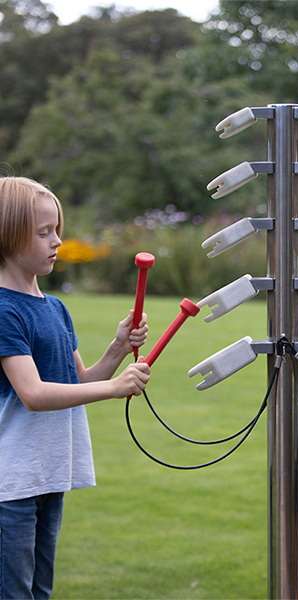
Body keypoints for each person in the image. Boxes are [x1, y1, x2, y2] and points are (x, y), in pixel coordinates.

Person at [0, 176, 151, 599]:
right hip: (11, 483)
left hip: (49, 474)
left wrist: (118, 349)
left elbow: (80, 381)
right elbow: (34, 394)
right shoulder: (4, 310)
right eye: (44, 232)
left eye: (57, 230)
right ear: (9, 237)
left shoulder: (55, 308)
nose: (57, 241)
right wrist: (115, 389)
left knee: (39, 591)